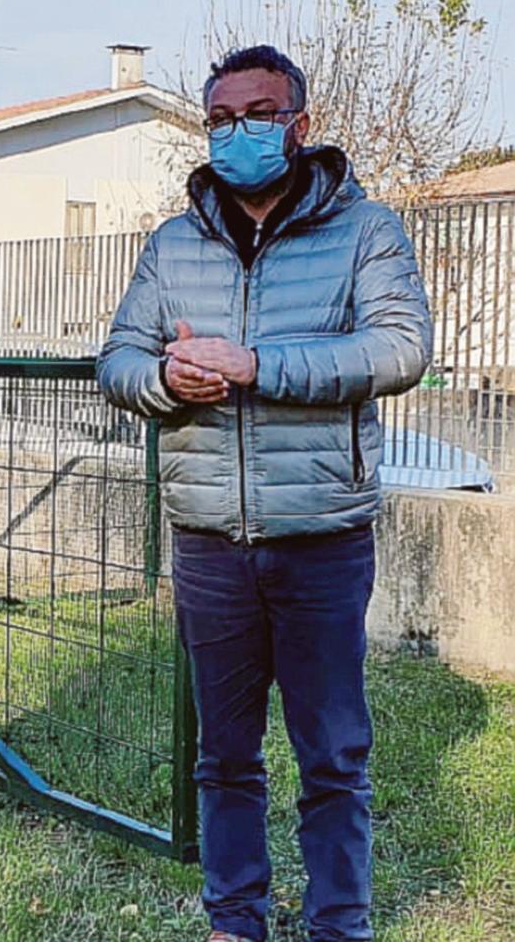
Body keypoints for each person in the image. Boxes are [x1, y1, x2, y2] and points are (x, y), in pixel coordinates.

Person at [96, 46, 431, 942]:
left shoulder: (366, 230)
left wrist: (258, 367)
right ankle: (236, 919)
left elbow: (400, 349)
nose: (238, 131)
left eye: (259, 112)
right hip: (208, 537)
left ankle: (339, 924)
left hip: (322, 533)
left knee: (333, 756)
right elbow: (118, 360)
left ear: (300, 125)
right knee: (225, 754)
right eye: (220, 119)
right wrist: (167, 380)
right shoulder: (173, 243)